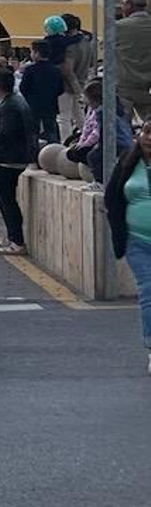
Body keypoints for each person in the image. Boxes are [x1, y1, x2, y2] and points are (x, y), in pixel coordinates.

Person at [104, 121, 151, 375]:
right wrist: (118, 231)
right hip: (138, 241)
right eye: (146, 132)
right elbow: (112, 196)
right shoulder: (127, 161)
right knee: (149, 290)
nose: (149, 138)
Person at [0, 68, 37, 256]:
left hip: (8, 158)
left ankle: (16, 241)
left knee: (6, 199)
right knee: (1, 194)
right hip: (19, 156)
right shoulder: (18, 102)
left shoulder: (9, 106)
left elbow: (5, 134)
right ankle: (13, 237)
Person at [116, 0, 151, 122]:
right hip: (148, 88)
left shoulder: (117, 27)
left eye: (123, 4)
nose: (122, 8)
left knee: (123, 129)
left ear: (129, 5)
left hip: (124, 87)